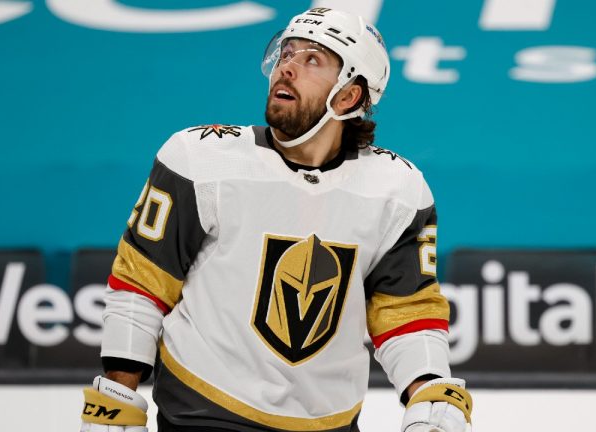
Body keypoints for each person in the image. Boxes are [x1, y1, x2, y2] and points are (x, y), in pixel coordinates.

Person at [79, 7, 472, 432]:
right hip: (204, 410)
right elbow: (143, 281)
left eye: (312, 59)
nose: (287, 67)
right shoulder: (199, 159)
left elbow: (406, 309)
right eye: (287, 53)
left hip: (330, 422)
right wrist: (117, 395)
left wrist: (431, 391)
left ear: (349, 96)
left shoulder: (398, 190)